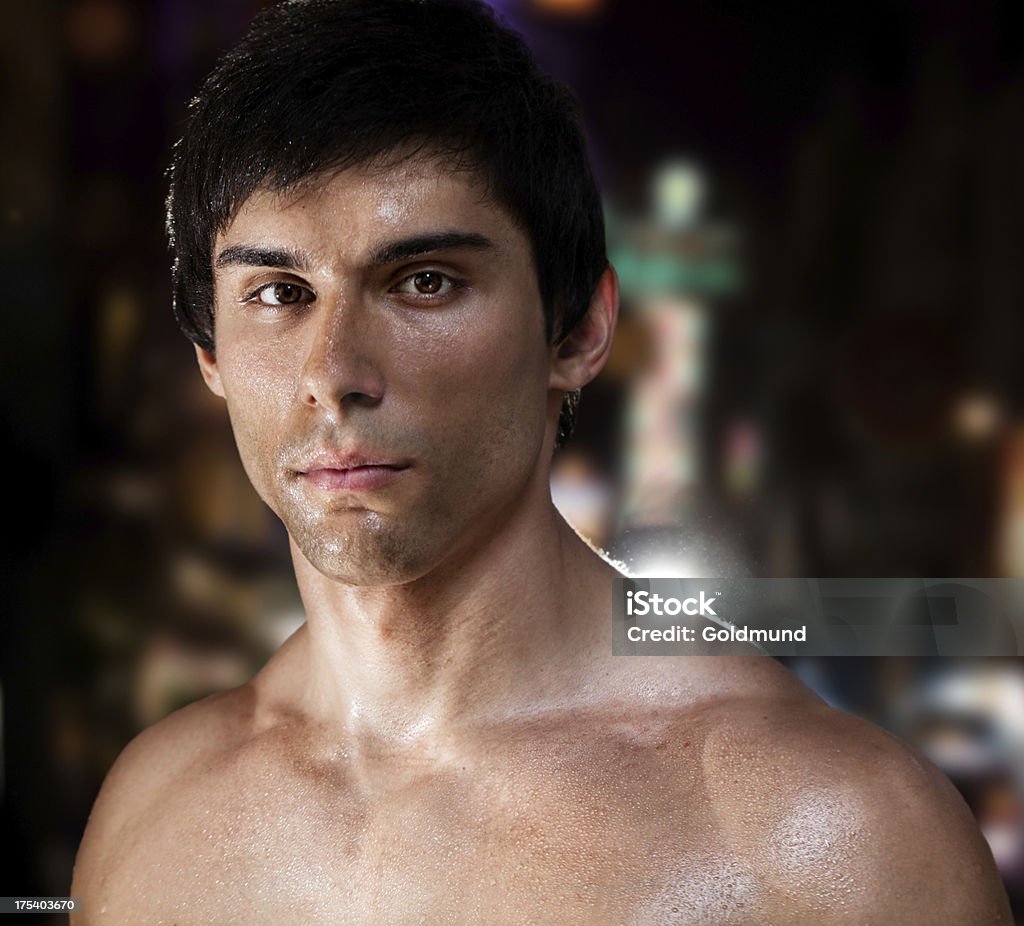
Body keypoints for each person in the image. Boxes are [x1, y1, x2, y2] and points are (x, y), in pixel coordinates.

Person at [71, 1, 1012, 922]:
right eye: (279, 292)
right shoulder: (156, 808)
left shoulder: (833, 844)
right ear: (209, 352)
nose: (334, 374)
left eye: (425, 282)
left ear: (580, 330)